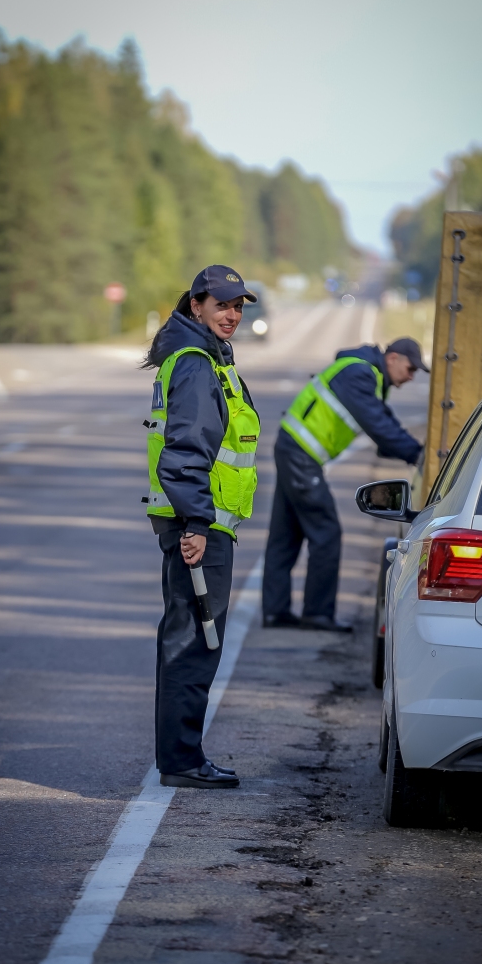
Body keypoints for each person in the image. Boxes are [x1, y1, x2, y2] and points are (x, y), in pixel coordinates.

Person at [143, 265, 260, 790]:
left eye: (239, 306)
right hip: (199, 525)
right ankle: (183, 760)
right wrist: (195, 523)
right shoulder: (195, 365)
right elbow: (185, 453)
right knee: (195, 641)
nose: (232, 314)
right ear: (197, 306)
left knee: (188, 638)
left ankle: (180, 756)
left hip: (203, 522)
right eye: (222, 305)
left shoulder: (204, 358)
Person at [262, 337, 427, 632]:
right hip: (300, 454)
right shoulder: (359, 373)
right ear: (393, 358)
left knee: (285, 535)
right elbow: (378, 424)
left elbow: (383, 421)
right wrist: (417, 455)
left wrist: (408, 448)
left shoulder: (367, 376)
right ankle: (317, 614)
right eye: (411, 368)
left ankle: (276, 611)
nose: (412, 376)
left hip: (294, 449)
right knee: (326, 533)